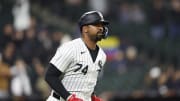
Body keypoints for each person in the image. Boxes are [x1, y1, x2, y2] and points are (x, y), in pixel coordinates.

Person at [45, 11, 109, 101]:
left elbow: (86, 81)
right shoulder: (70, 48)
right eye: (96, 25)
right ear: (85, 29)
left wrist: (92, 97)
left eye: (102, 25)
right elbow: (50, 76)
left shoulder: (102, 56)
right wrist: (69, 97)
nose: (101, 28)